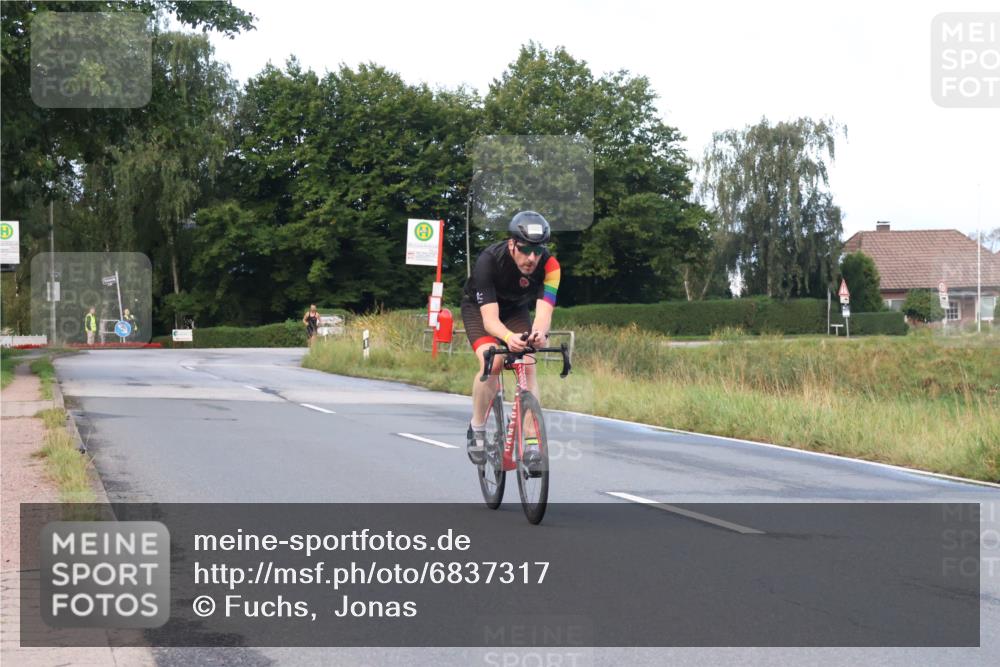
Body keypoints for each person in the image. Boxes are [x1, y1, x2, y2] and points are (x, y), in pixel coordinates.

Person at [461, 211, 560, 469]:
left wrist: (538, 334)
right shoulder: (489, 261)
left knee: (527, 362)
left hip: (515, 310)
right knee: (491, 362)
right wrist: (507, 338)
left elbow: (544, 312)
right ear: (512, 244)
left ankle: (530, 446)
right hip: (480, 311)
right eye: (525, 250)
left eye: (537, 251)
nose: (531, 258)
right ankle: (478, 429)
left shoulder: (551, 267)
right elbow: (490, 320)